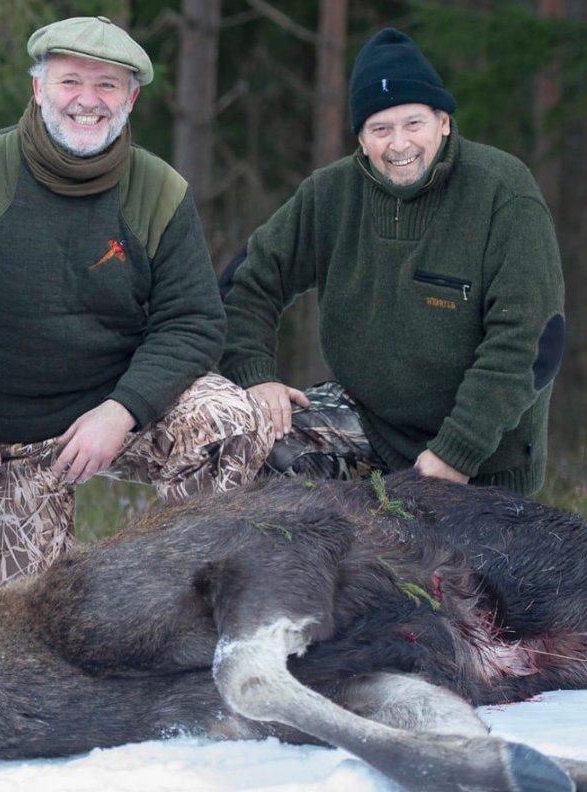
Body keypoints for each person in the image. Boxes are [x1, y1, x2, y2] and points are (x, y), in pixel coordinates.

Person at [0, 16, 273, 625]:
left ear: (131, 98)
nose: (89, 100)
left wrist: (124, 409)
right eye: (70, 81)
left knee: (226, 418)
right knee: (9, 627)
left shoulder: (159, 190)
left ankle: (198, 617)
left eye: (108, 85)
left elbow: (191, 320)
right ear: (37, 88)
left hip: (108, 413)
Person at [218, 28, 565, 495]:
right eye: (380, 129)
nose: (399, 144)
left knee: (442, 569)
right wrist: (255, 374)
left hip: (481, 460)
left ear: (443, 121)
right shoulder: (330, 194)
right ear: (361, 138)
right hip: (368, 425)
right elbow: (248, 281)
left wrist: (456, 452)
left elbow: (533, 342)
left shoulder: (504, 194)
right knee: (239, 441)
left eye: (414, 123)